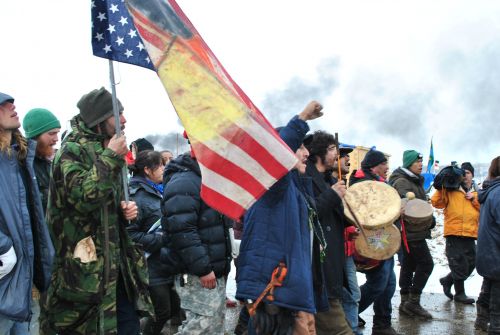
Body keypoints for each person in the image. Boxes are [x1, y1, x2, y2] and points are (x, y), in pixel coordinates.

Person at [39, 87, 152, 335]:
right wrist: (111, 155)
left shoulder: (106, 149)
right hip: (86, 274)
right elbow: (83, 198)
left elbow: (105, 202)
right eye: (117, 114)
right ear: (100, 119)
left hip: (116, 268)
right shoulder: (72, 151)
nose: (123, 120)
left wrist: (125, 211)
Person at [236, 102, 328, 335]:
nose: (307, 154)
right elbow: (276, 157)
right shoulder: (273, 186)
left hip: (289, 287)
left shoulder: (294, 188)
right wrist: (302, 118)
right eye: (300, 148)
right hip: (274, 286)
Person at [161, 134, 233, 335]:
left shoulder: (206, 179)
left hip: (212, 269)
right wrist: (202, 268)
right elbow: (182, 230)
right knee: (200, 327)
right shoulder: (185, 181)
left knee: (214, 326)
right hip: (197, 273)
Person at [0, 92, 55, 334]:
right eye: (3, 104)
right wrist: (3, 250)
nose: (12, 106)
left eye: (12, 102)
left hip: (22, 278)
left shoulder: (20, 157)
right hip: (5, 271)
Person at [127, 150, 181, 335]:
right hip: (149, 265)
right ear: (147, 170)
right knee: (161, 311)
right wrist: (161, 239)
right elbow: (130, 235)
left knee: (171, 309)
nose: (164, 169)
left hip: (165, 263)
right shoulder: (136, 195)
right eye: (161, 165)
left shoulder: (161, 189)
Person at [304, 131, 353, 335]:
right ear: (318, 153)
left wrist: (348, 228)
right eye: (332, 149)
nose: (337, 154)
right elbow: (308, 214)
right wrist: (333, 195)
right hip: (317, 268)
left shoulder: (329, 180)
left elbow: (332, 219)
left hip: (332, 265)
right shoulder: (305, 178)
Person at [349, 149, 400, 335]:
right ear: (373, 166)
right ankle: (350, 315)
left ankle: (382, 324)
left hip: (384, 241)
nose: (387, 167)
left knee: (388, 284)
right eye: (383, 164)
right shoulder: (363, 185)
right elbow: (369, 213)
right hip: (372, 241)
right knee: (378, 283)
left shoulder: (379, 183)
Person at [389, 150, 434, 319]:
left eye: (421, 162)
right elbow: (410, 208)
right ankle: (413, 302)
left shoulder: (413, 180)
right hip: (411, 232)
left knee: (408, 266)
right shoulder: (402, 182)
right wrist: (428, 219)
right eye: (417, 162)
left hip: (414, 232)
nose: (421, 164)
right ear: (409, 164)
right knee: (427, 264)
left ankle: (405, 302)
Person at [431, 161, 480, 304]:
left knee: (472, 263)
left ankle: (448, 280)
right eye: (462, 172)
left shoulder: (478, 192)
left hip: (470, 233)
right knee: (459, 263)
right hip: (454, 232)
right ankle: (460, 293)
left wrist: (474, 198)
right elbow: (436, 202)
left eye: (468, 173)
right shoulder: (451, 190)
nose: (465, 175)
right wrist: (441, 187)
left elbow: (483, 208)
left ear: (473, 175)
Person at [332, 144, 362, 335]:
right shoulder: (328, 186)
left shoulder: (345, 186)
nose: (348, 160)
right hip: (335, 252)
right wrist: (348, 228)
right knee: (350, 296)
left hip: (347, 251)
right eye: (343, 156)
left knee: (352, 296)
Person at [476, 156, 500, 334]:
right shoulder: (499, 192)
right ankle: (495, 327)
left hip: (488, 251)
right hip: (496, 251)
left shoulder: (492, 190)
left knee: (489, 285)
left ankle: (482, 320)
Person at [22, 108, 61, 211]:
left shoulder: (49, 163)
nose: (56, 139)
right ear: (35, 135)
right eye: (51, 133)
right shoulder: (22, 165)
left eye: (57, 133)